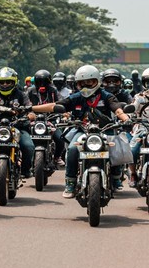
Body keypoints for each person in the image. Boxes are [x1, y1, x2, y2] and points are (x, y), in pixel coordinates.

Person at [30, 64, 130, 198]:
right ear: (77, 84)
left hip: (104, 130)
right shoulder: (76, 97)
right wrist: (32, 109)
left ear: (97, 82)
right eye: (82, 83)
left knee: (116, 146)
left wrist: (125, 118)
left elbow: (117, 109)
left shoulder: (106, 96)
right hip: (82, 130)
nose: (86, 86)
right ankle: (70, 182)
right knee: (71, 149)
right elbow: (56, 105)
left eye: (90, 82)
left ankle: (116, 176)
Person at [0, 67, 35, 178]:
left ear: (14, 82)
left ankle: (25, 170)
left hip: (17, 127)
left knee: (28, 146)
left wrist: (30, 116)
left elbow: (30, 109)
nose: (5, 84)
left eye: (8, 82)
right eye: (2, 82)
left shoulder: (21, 95)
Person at [28, 69, 67, 165]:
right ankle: (26, 161)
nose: (42, 84)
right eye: (39, 82)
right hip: (34, 120)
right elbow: (25, 103)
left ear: (49, 82)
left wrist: (65, 111)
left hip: (51, 119)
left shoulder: (53, 91)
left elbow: (61, 101)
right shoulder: (30, 91)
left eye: (45, 82)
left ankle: (57, 157)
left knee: (60, 138)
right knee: (26, 140)